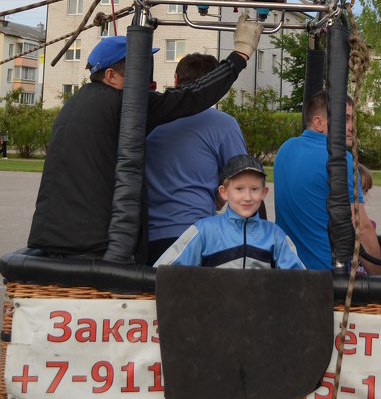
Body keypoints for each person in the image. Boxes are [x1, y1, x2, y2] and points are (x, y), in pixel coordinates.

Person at [27, 14, 262, 260]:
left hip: (54, 236)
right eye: (138, 71)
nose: (145, 81)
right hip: (92, 242)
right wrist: (240, 55)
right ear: (110, 76)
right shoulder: (123, 106)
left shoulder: (75, 104)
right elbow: (190, 97)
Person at [146, 53, 248, 265]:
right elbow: (244, 181)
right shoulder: (223, 124)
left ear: (175, 79)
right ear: (214, 90)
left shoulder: (148, 119)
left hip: (146, 238)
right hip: (196, 237)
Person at [273, 89, 381, 273]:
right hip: (326, 277)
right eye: (345, 119)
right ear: (318, 123)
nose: (351, 127)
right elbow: (361, 229)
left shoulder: (284, 150)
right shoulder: (340, 159)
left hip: (285, 268)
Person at [154, 154, 304, 269]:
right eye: (239, 189)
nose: (247, 197)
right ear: (224, 192)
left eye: (254, 189)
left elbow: (300, 282)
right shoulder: (204, 231)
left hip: (261, 309)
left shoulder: (275, 236)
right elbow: (163, 271)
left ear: (264, 193)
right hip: (213, 308)